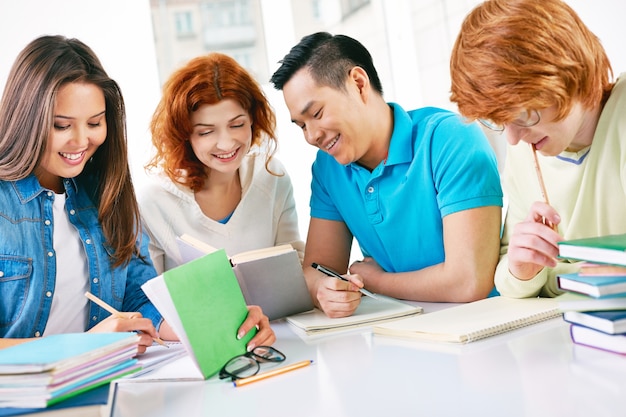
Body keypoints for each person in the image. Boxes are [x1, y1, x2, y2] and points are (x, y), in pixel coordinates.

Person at [0, 36, 272, 352]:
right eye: (62, 126)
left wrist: (225, 323)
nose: (81, 140)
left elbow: (141, 300)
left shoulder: (108, 198)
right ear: (26, 120)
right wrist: (84, 346)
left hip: (104, 386)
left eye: (94, 123)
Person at [270, 32, 503, 317]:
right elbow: (318, 271)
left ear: (358, 83)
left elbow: (469, 282)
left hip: (481, 328)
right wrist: (323, 290)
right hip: (396, 332)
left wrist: (377, 282)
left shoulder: (450, 138)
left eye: (316, 113)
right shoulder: (327, 169)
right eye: (301, 125)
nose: (311, 136)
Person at [449, 0, 625, 298]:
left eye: (523, 115)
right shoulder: (526, 153)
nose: (514, 139)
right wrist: (523, 269)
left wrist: (556, 274)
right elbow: (509, 276)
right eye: (501, 122)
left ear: (566, 73)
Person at [137, 53, 303, 324]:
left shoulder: (272, 176)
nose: (226, 144)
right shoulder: (154, 201)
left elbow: (295, 269)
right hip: (200, 346)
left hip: (276, 334)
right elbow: (148, 303)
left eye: (237, 125)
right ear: (185, 134)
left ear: (253, 118)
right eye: (205, 132)